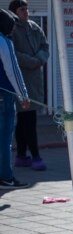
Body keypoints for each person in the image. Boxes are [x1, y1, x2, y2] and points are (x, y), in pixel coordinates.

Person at [8, 0, 48, 171]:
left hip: (35, 80)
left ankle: (22, 156)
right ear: (14, 12)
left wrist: (40, 59)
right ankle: (35, 156)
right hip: (20, 80)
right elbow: (12, 52)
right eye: (21, 9)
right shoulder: (11, 29)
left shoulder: (34, 27)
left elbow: (44, 46)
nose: (26, 12)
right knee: (27, 120)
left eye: (26, 9)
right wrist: (32, 61)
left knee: (26, 119)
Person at [0, 9, 29, 188]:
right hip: (4, 97)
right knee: (4, 137)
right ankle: (5, 176)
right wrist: (23, 95)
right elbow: (13, 71)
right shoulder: (4, 42)